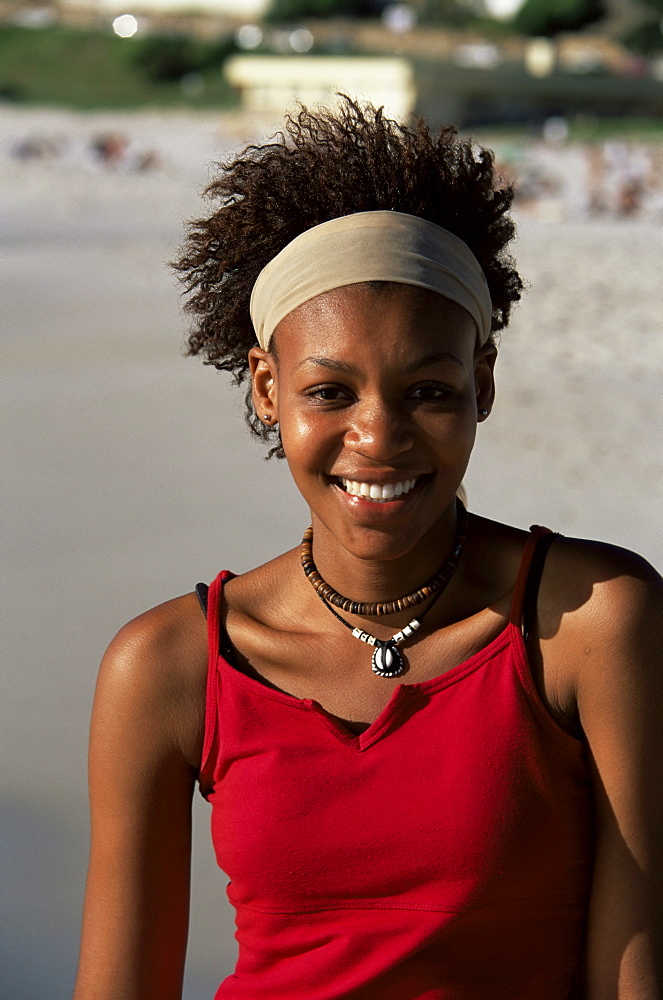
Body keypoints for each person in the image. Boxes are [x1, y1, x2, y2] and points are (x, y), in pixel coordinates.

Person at [73, 99, 662, 1000]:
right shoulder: (166, 668)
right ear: (268, 390)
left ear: (482, 384)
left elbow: (639, 970)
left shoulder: (591, 622)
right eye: (330, 391)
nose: (377, 435)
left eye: (428, 390)